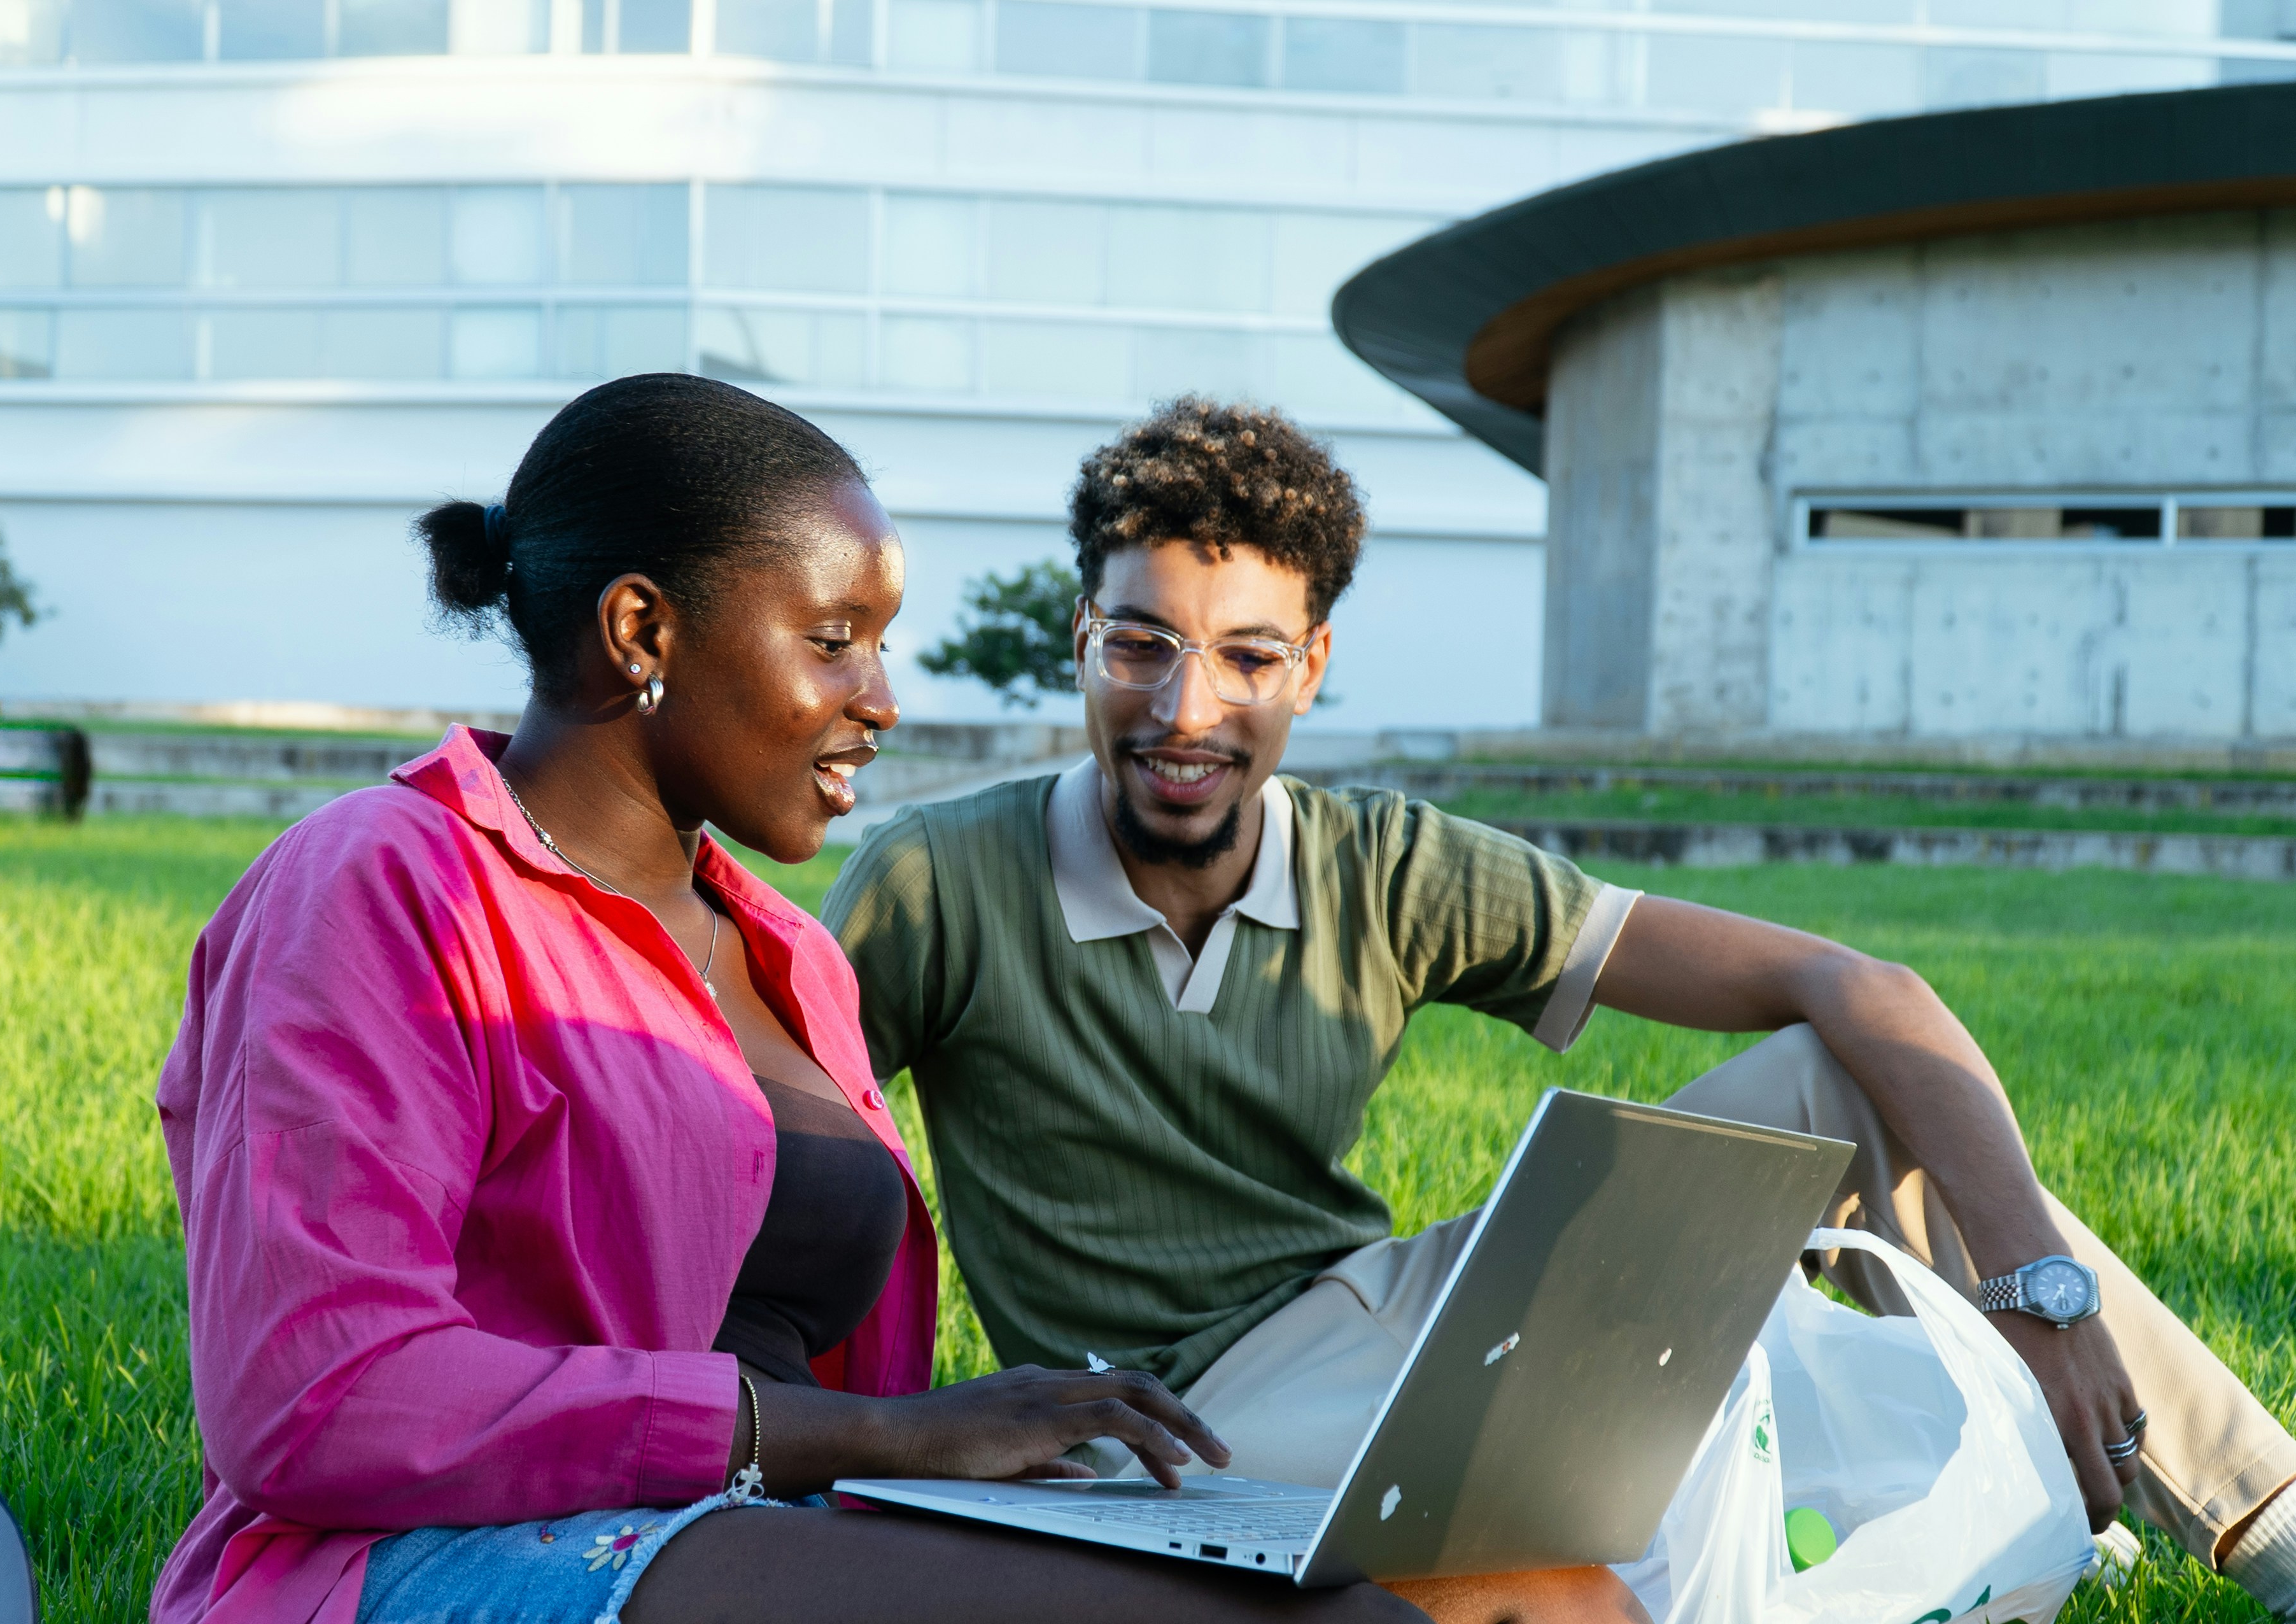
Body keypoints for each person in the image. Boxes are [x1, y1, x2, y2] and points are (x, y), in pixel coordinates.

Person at [149, 374, 1645, 1624]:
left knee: (1537, 1590)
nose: (882, 693)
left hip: (767, 1520)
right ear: (641, 632)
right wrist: (874, 1433)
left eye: (881, 640)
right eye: (832, 637)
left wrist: (952, 1450)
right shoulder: (385, 881)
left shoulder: (788, 957)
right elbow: (317, 1394)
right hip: (444, 1560)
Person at [822, 396, 2296, 1620]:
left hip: (1390, 1307)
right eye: (1143, 642)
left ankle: (2254, 1512)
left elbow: (1860, 986)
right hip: (1180, 1420)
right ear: (1082, 635)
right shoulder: (936, 878)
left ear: (1312, 667)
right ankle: (1931, 1492)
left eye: (1249, 657)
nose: (1187, 709)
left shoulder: (1381, 862)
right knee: (1605, 1510)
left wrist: (2041, 1289)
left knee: (1835, 1072)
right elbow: (789, 1173)